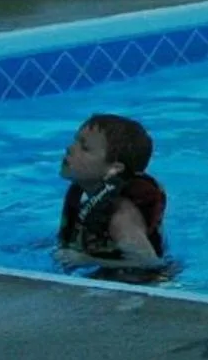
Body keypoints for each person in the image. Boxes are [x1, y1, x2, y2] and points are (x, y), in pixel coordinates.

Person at [55, 113, 168, 274]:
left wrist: (87, 260)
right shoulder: (87, 195)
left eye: (85, 148)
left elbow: (149, 263)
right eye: (75, 141)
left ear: (114, 169)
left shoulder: (121, 214)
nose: (70, 148)